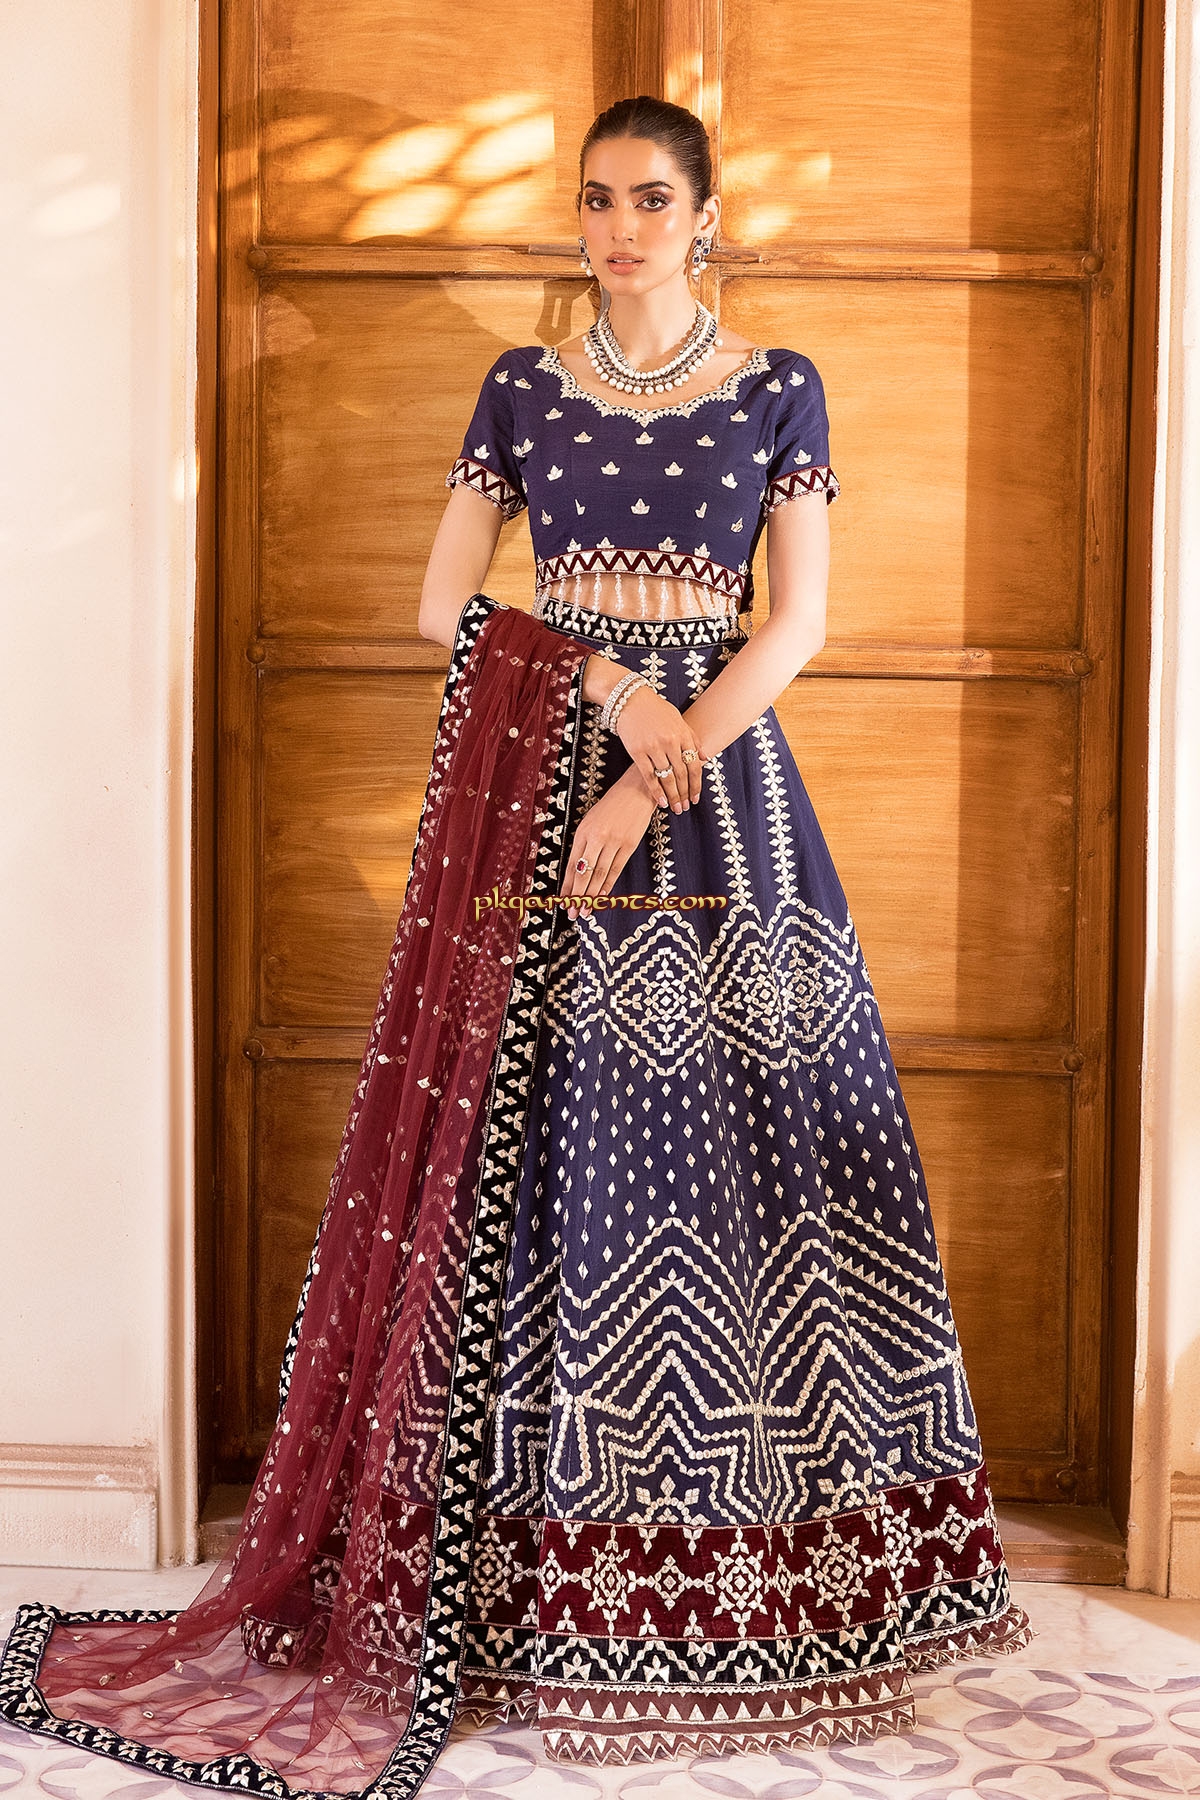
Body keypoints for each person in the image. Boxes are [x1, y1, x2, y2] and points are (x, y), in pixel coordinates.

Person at [0, 94, 1032, 1800]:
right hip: (544, 782)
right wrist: (607, 692)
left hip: (723, 797)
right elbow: (444, 602)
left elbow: (800, 622)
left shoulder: (777, 385)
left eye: (651, 200)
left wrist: (659, 760)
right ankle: (521, 1591)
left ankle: (770, 1588)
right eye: (598, 200)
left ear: (707, 216)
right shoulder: (526, 388)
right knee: (537, 1159)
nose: (620, 228)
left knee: (746, 1167)